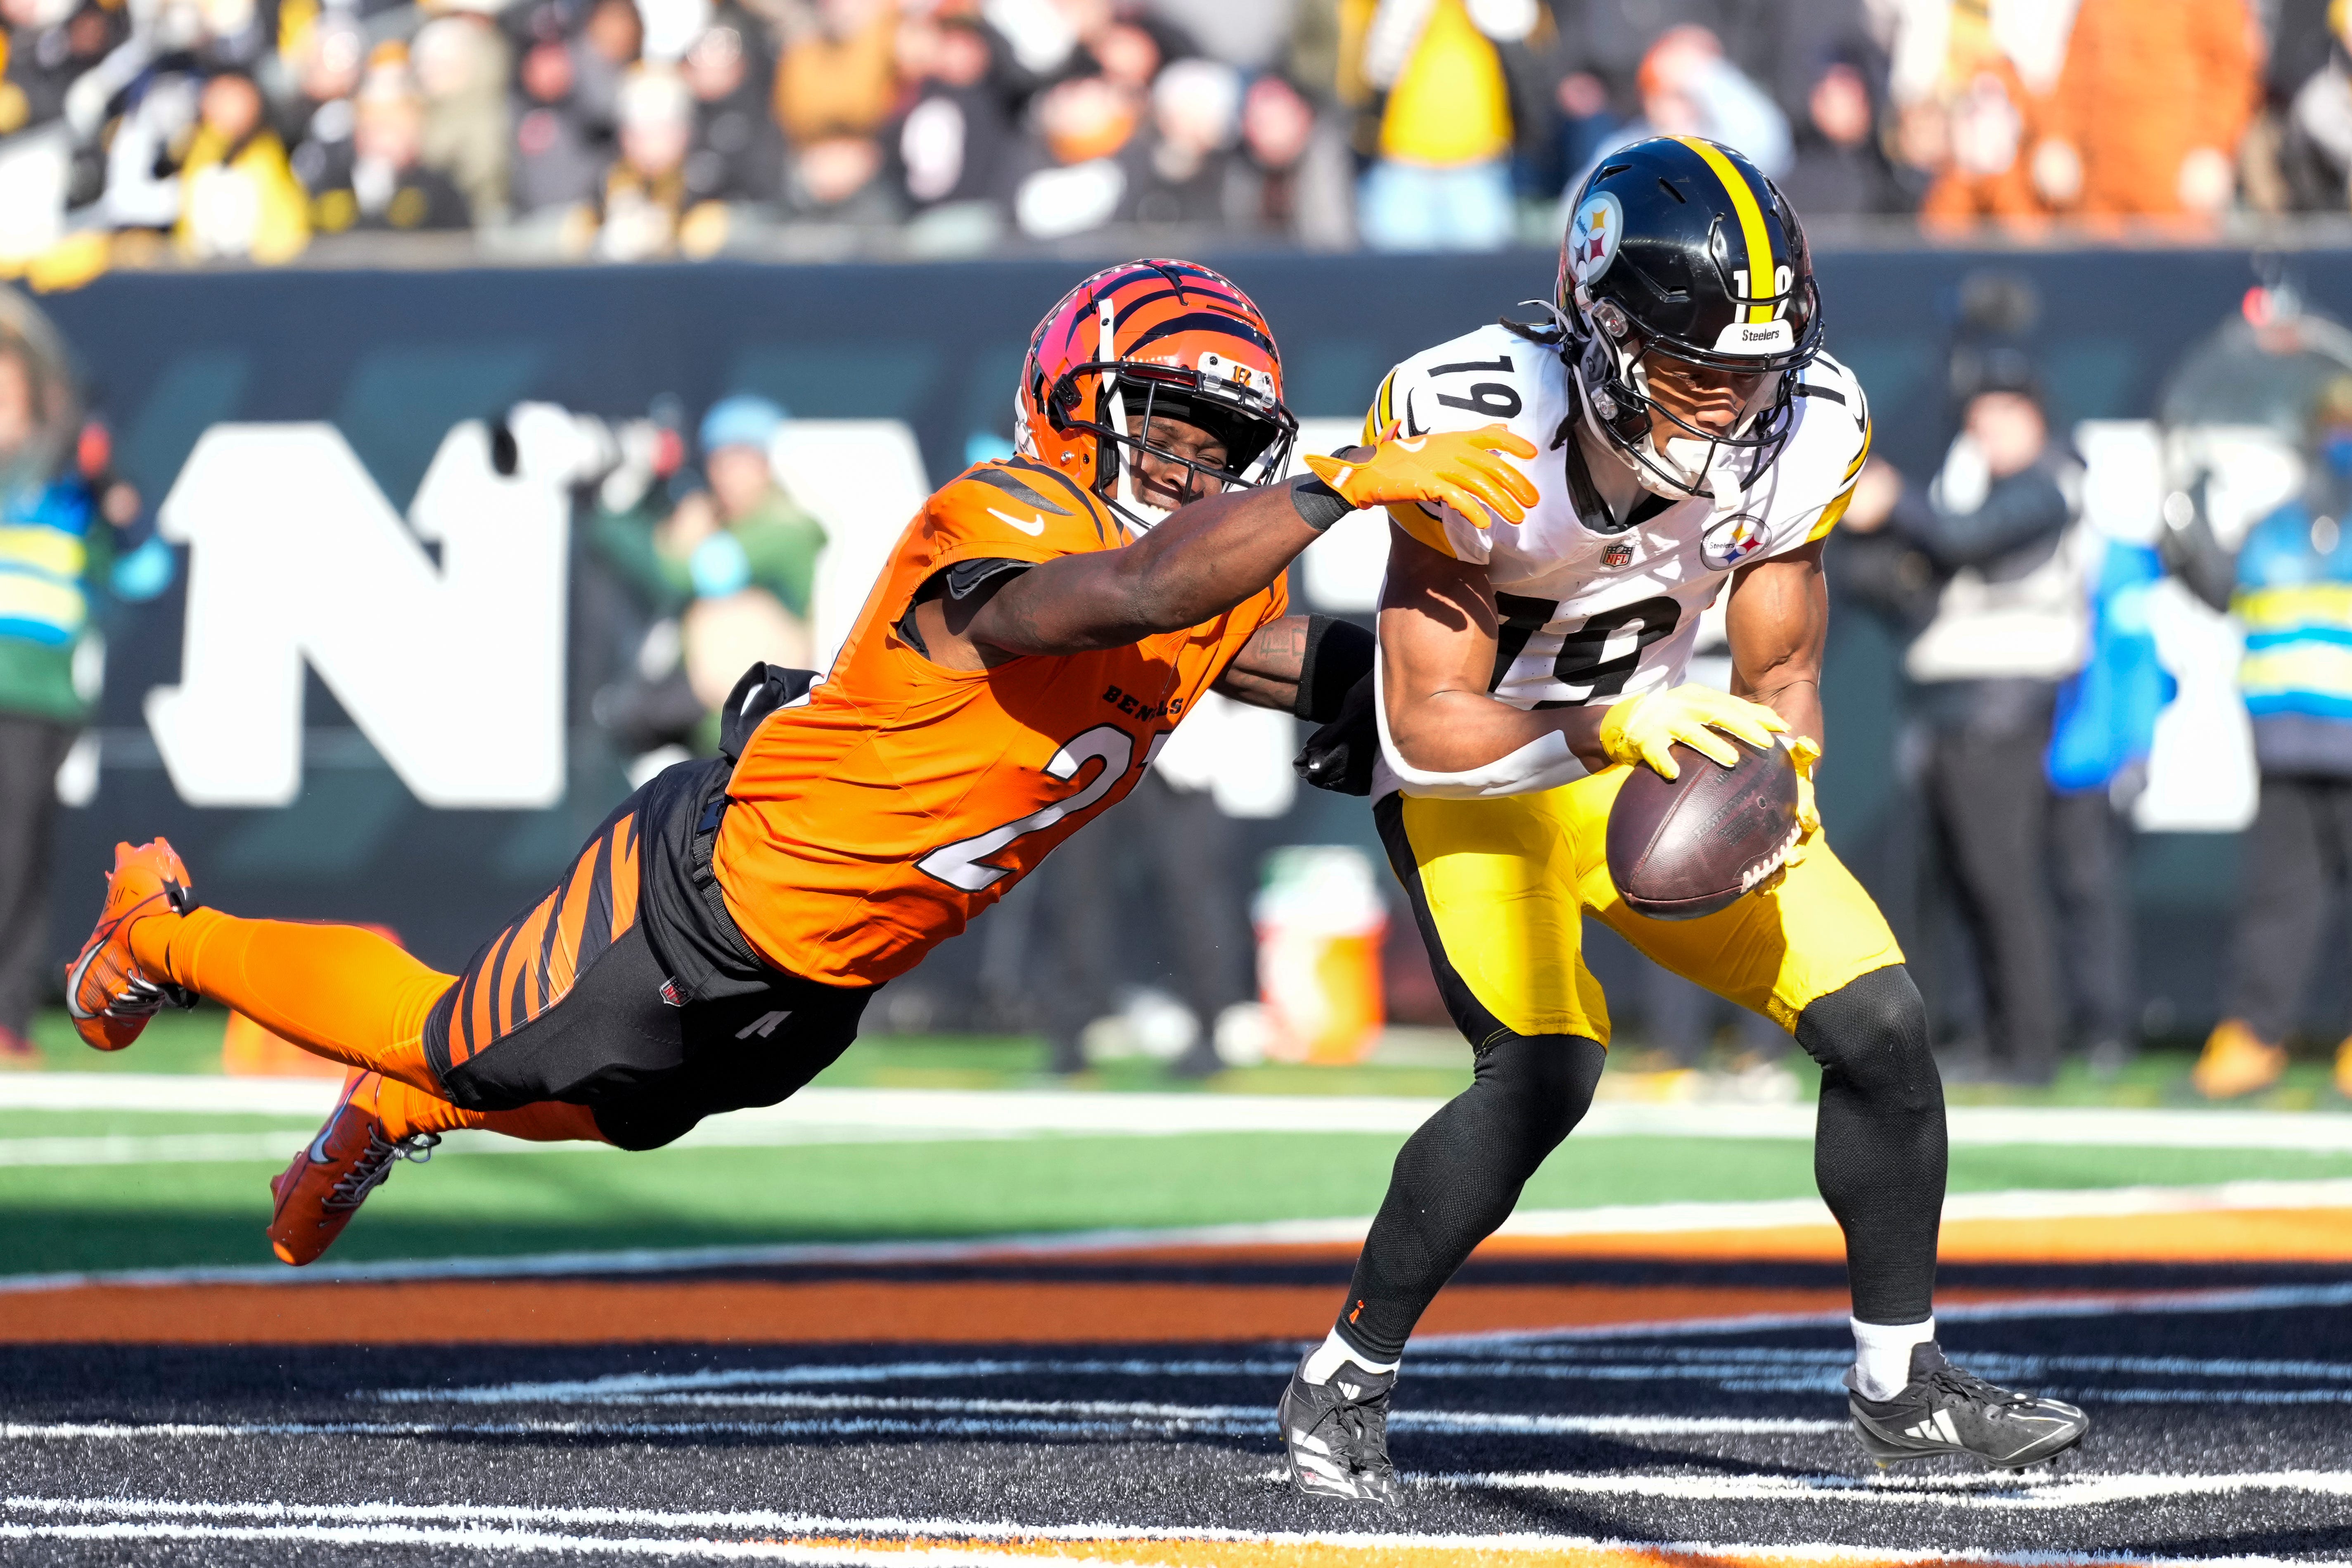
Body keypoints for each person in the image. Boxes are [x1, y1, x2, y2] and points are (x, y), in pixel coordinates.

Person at [63, 259, 1532, 1268]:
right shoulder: (1003, 512)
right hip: (709, 885)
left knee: (634, 1107)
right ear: (1077, 400)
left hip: (832, 964)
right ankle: (166, 933)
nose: (1195, 467)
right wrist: (1337, 483)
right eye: (1171, 425)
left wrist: (1558, 684)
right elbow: (1118, 595)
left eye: (1226, 447)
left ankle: (394, 1110)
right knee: (463, 1037)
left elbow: (1353, 686)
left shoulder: (1219, 584)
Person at [1276, 138, 2089, 1502]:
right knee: (1543, 1073)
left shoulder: (1809, 423)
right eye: (1700, 370)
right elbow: (1423, 718)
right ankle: (1341, 1378)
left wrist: (1782, 779)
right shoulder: (1470, 415)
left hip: (1654, 745)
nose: (1737, 404)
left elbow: (1779, 677)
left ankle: (1901, 1385)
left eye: (1758, 371)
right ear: (1600, 332)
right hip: (1490, 773)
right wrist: (1605, 726)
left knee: (1881, 1027)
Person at [1849, 354, 2087, 1086]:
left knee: (2002, 879)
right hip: (1950, 705)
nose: (1985, 429)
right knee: (1961, 883)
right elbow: (1908, 575)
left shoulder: (2049, 483)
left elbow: (1960, 539)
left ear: (2035, 416)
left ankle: (2031, 1049)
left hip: (2002, 706)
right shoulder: (1974, 486)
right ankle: (1991, 1037)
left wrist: (1894, 501)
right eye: (1978, 416)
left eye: (2001, 414)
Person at [2184, 375, 2352, 1100]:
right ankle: (2254, 1035)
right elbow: (2225, 590)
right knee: (2280, 896)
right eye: (2331, 424)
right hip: (2284, 738)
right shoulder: (2280, 519)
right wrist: (2188, 532)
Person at [0, 304, 152, 1065]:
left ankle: (8, 1011)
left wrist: (115, 501)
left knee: (20, 850)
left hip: (38, 699)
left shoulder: (68, 494)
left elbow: (146, 570)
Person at [589, 393, 826, 758]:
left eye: (741, 460)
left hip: (753, 724)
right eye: (717, 460)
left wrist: (607, 521)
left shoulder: (784, 528)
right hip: (715, 721)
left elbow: (680, 575)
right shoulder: (724, 521)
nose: (724, 475)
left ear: (769, 464)